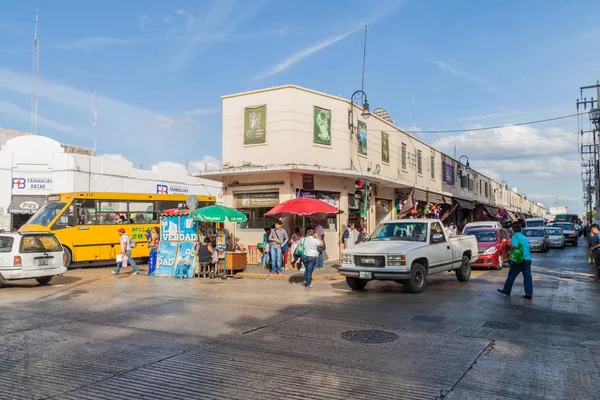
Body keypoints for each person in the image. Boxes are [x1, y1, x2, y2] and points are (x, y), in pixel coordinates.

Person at [497, 223, 533, 299]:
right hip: (528, 259)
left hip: (520, 260)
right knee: (527, 277)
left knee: (511, 274)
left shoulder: (515, 237)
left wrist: (508, 246)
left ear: (513, 230)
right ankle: (529, 294)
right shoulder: (525, 238)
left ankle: (507, 290)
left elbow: (514, 247)